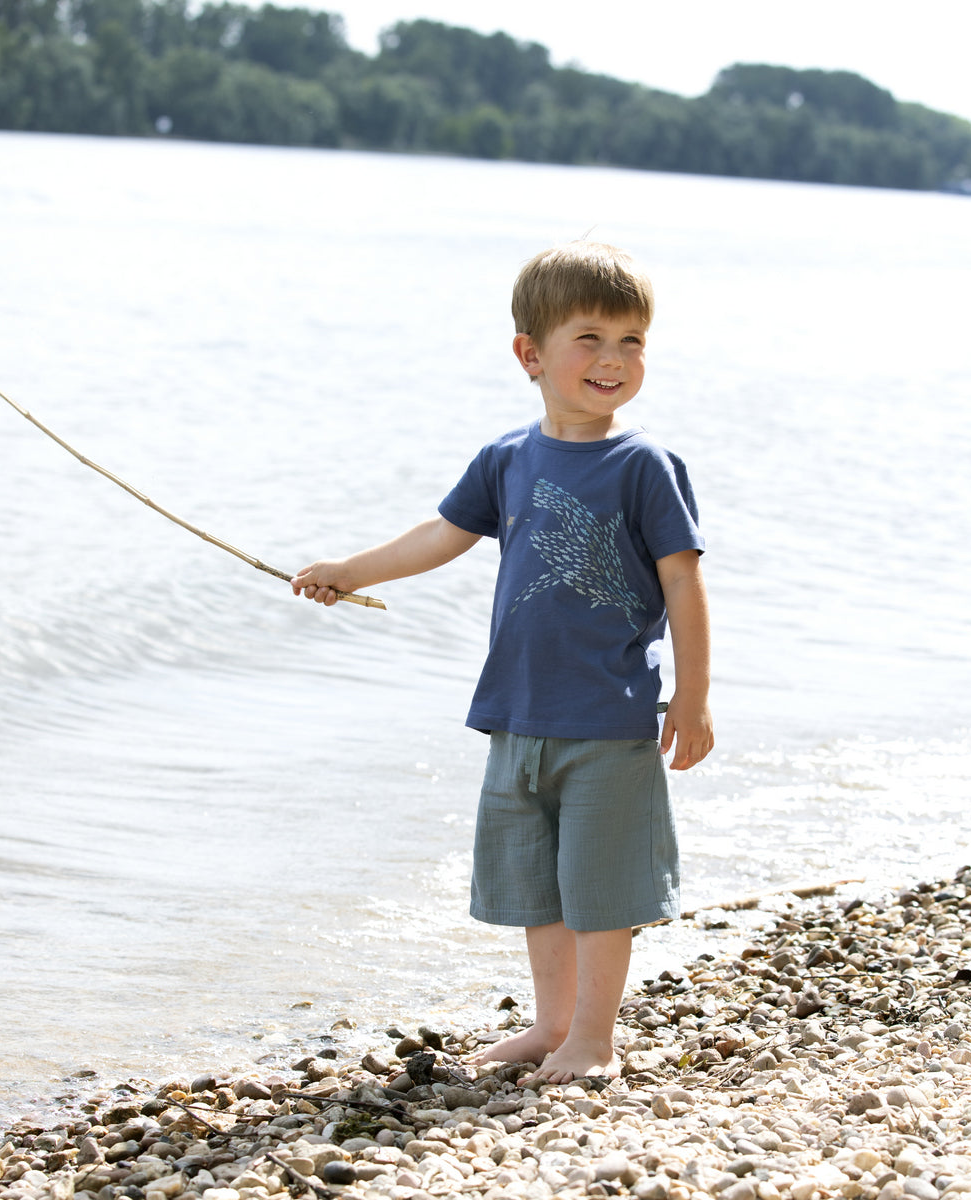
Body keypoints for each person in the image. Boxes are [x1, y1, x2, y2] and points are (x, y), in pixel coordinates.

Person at [291, 241, 713, 1085]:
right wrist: (348, 571)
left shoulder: (645, 466)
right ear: (531, 354)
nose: (613, 360)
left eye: (632, 342)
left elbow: (685, 582)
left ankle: (595, 1037)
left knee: (600, 892)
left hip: (608, 718)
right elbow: (440, 536)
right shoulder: (508, 459)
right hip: (518, 716)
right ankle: (551, 1025)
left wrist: (692, 699)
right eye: (589, 339)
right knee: (540, 888)